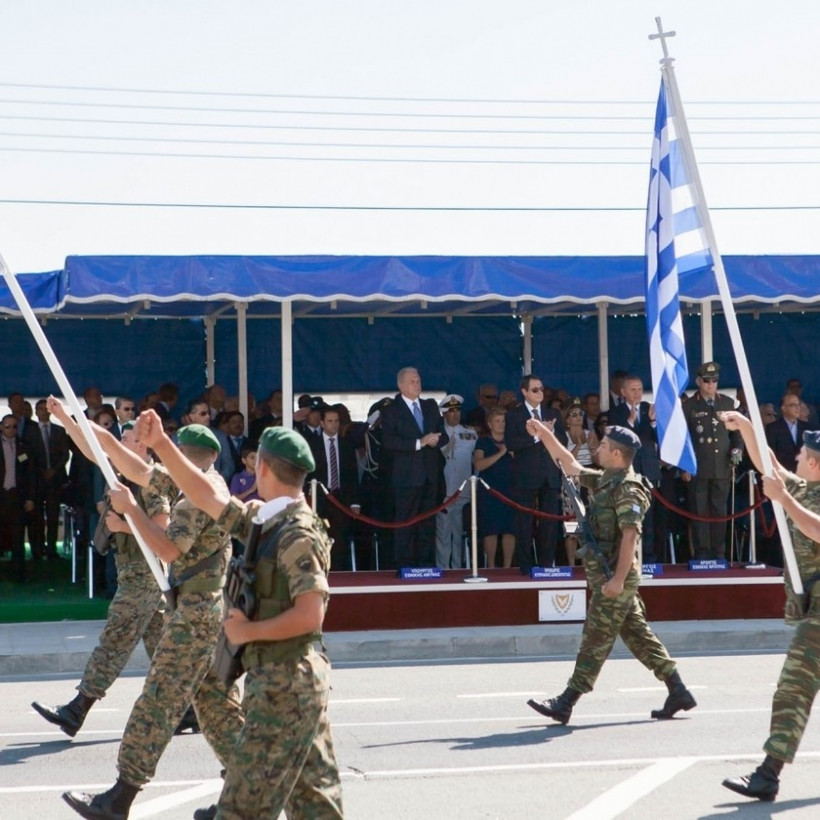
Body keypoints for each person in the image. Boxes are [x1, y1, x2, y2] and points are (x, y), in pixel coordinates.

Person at [135, 414, 344, 819]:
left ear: (261, 466)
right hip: (288, 680)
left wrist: (248, 630)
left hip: (287, 683)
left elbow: (310, 615)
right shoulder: (268, 522)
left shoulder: (296, 533)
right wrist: (162, 444)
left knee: (241, 808)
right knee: (316, 808)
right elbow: (206, 497)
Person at [62, 421, 244, 820]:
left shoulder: (199, 495)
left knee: (160, 700)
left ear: (185, 454)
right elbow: (116, 455)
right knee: (218, 709)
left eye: (172, 449)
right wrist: (71, 420)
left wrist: (130, 514)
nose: (164, 456)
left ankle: (119, 799)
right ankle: (245, 800)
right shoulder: (189, 482)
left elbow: (167, 548)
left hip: (197, 614)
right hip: (208, 611)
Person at [524, 420, 696, 725]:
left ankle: (566, 701)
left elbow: (630, 535)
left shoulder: (628, 488)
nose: (597, 448)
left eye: (603, 445)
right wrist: (544, 433)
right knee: (638, 635)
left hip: (616, 577)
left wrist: (617, 581)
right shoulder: (608, 480)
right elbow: (571, 464)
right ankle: (678, 689)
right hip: (608, 577)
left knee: (595, 637)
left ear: (617, 454)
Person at [31, 416, 172, 739]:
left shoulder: (150, 482)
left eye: (128, 440)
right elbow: (91, 448)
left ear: (141, 445)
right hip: (132, 573)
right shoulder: (122, 476)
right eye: (120, 441)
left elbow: (162, 531)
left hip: (144, 576)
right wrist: (67, 420)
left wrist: (124, 527)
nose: (121, 446)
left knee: (114, 641)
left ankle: (76, 709)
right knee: (165, 651)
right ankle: (192, 708)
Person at [721, 418, 820, 801]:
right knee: (795, 688)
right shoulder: (801, 487)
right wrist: (746, 426)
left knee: (793, 687)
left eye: (801, 455)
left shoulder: (799, 495)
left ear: (813, 462)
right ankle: (768, 773)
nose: (794, 458)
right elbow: (769, 465)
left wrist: (784, 500)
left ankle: (768, 773)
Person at [381, 367, 448, 569]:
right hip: (407, 476)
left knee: (427, 522)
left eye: (418, 380)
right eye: (412, 381)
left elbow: (443, 433)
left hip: (429, 473)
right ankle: (406, 565)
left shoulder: (430, 406)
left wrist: (437, 440)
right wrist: (419, 442)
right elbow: (389, 442)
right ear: (401, 385)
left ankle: (426, 564)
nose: (417, 384)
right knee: (406, 522)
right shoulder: (391, 410)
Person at [504, 375, 566, 573]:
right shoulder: (514, 415)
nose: (540, 393)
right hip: (526, 475)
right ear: (524, 392)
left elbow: (563, 441)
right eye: (535, 390)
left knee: (549, 522)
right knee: (524, 522)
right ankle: (525, 565)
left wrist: (551, 433)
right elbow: (511, 444)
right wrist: (536, 437)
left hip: (549, 473)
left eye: (541, 389)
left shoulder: (551, 412)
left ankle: (547, 565)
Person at [681, 361, 743, 559]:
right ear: (699, 381)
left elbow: (736, 433)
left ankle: (719, 552)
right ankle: (702, 553)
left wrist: (736, 450)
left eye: (715, 381)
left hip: (722, 466)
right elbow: (683, 438)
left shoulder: (727, 403)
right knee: (699, 512)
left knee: (720, 512)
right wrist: (684, 466)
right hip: (698, 467)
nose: (711, 385)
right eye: (707, 381)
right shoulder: (689, 405)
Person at [610, 375, 661, 562]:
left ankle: (647, 557)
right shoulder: (615, 412)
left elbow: (660, 439)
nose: (637, 393)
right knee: (628, 517)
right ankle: (628, 558)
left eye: (640, 389)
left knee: (648, 518)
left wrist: (654, 422)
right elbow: (615, 439)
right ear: (623, 392)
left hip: (648, 470)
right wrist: (630, 422)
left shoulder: (649, 409)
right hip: (627, 471)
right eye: (633, 389)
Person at [435, 395, 477, 569]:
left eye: (458, 410)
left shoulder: (470, 433)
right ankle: (443, 568)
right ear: (444, 413)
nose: (455, 414)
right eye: (451, 411)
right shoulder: (437, 434)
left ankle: (458, 567)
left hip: (463, 490)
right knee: (443, 533)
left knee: (459, 532)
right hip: (444, 491)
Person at [473, 406, 515, 568]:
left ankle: (507, 566)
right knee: (491, 529)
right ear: (490, 424)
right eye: (497, 421)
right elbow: (479, 464)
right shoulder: (483, 442)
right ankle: (490, 566)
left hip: (511, 490)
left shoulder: (513, 442)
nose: (501, 424)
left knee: (510, 529)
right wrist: (501, 453)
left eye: (504, 421)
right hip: (490, 491)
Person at [766, 394, 809, 474]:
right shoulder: (773, 428)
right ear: (784, 408)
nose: (797, 408)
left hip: (805, 475)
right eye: (793, 405)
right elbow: (771, 453)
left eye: (798, 404)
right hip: (783, 474)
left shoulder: (807, 427)